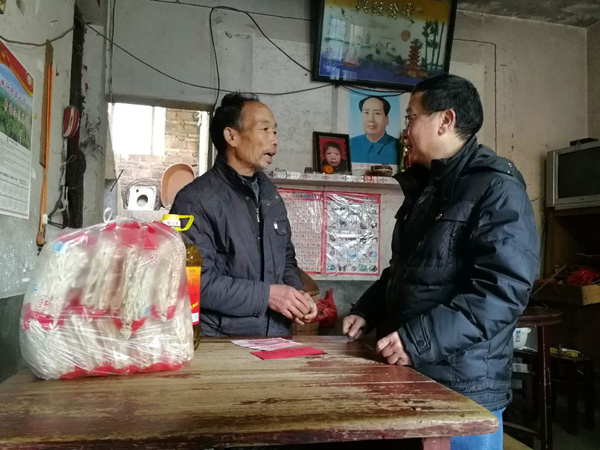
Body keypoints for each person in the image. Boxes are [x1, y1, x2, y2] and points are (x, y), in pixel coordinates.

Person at [343, 75, 539, 450]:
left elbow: (502, 292)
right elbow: (409, 270)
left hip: (463, 388)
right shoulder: (430, 187)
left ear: (445, 121)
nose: (404, 131)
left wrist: (416, 341)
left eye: (411, 118)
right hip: (416, 375)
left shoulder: (496, 187)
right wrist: (368, 308)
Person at [170, 92, 317, 337]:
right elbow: (195, 283)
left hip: (276, 338)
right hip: (222, 342)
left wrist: (296, 296)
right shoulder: (193, 201)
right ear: (232, 136)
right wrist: (268, 296)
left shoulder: (270, 195)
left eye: (275, 131)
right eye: (265, 129)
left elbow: (287, 260)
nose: (274, 140)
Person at [350, 96, 399, 165]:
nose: (371, 119)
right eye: (366, 113)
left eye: (377, 113)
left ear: (386, 120)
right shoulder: (350, 144)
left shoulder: (398, 147)